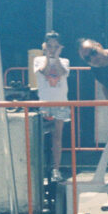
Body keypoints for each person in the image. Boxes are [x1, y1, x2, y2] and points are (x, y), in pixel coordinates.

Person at [33, 31, 70, 182]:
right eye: (49, 46)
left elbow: (62, 72)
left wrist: (57, 56)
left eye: (55, 46)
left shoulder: (65, 61)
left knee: (57, 137)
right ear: (44, 46)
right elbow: (45, 71)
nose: (52, 48)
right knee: (40, 137)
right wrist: (48, 56)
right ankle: (39, 169)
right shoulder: (38, 60)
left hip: (60, 103)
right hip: (45, 103)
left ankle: (56, 168)